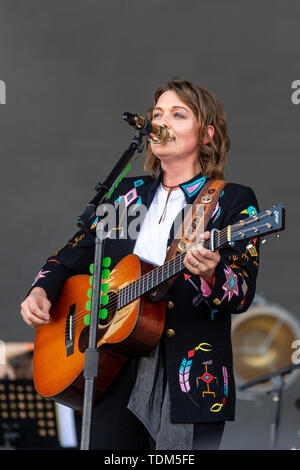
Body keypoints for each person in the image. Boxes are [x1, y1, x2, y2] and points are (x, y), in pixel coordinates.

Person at [20, 78, 260, 450]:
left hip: (191, 375)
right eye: (157, 114)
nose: (162, 121)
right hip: (112, 369)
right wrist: (42, 288)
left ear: (207, 134)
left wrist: (212, 273)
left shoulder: (232, 200)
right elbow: (73, 251)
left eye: (178, 114)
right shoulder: (126, 193)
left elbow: (240, 293)